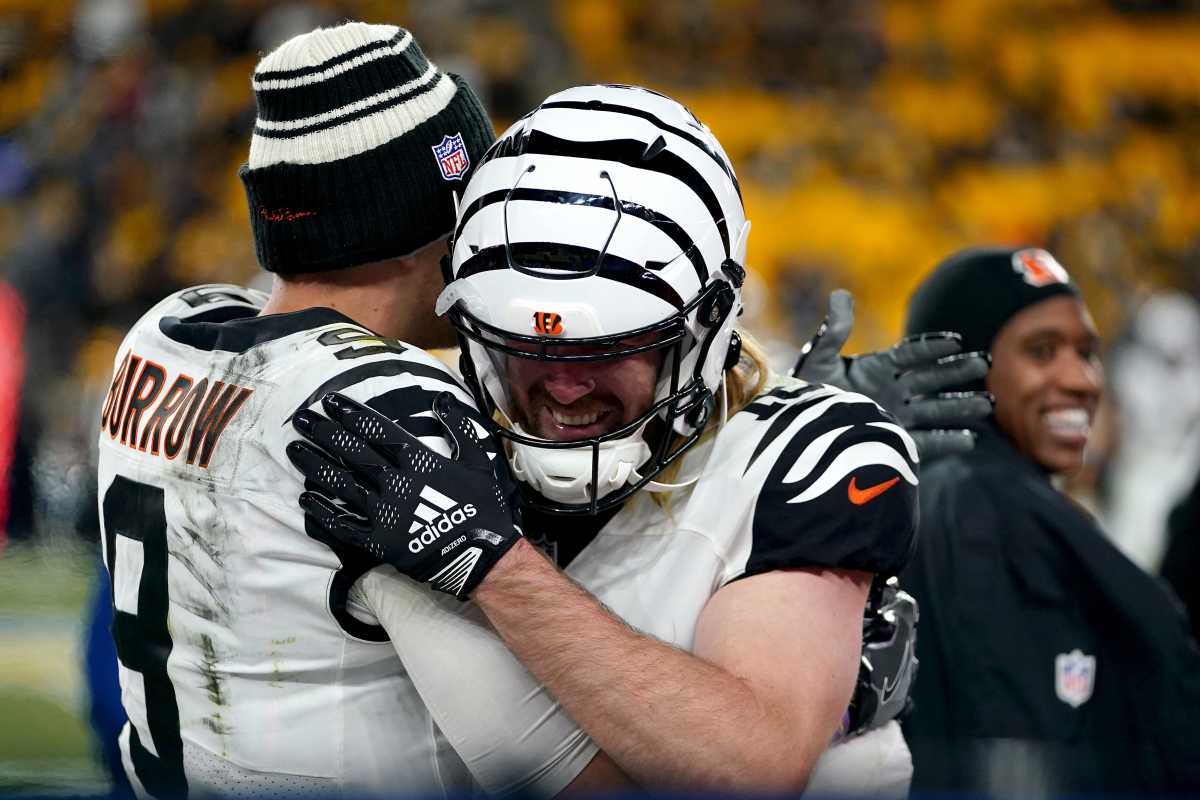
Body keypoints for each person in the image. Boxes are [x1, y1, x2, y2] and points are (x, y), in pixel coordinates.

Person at [288, 83, 922, 794]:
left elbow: (749, 767)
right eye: (526, 345)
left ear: (704, 330)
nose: (563, 386)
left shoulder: (807, 455)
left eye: (606, 349)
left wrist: (491, 563)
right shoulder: (428, 426)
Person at [96, 23, 621, 797]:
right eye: (473, 201)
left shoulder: (165, 335)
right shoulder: (383, 403)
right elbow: (548, 768)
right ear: (417, 226)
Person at [897, 246, 1200, 795]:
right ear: (958, 367)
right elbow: (1018, 768)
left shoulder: (955, 493)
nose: (1084, 380)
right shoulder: (985, 508)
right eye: (1043, 351)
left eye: (1088, 352)